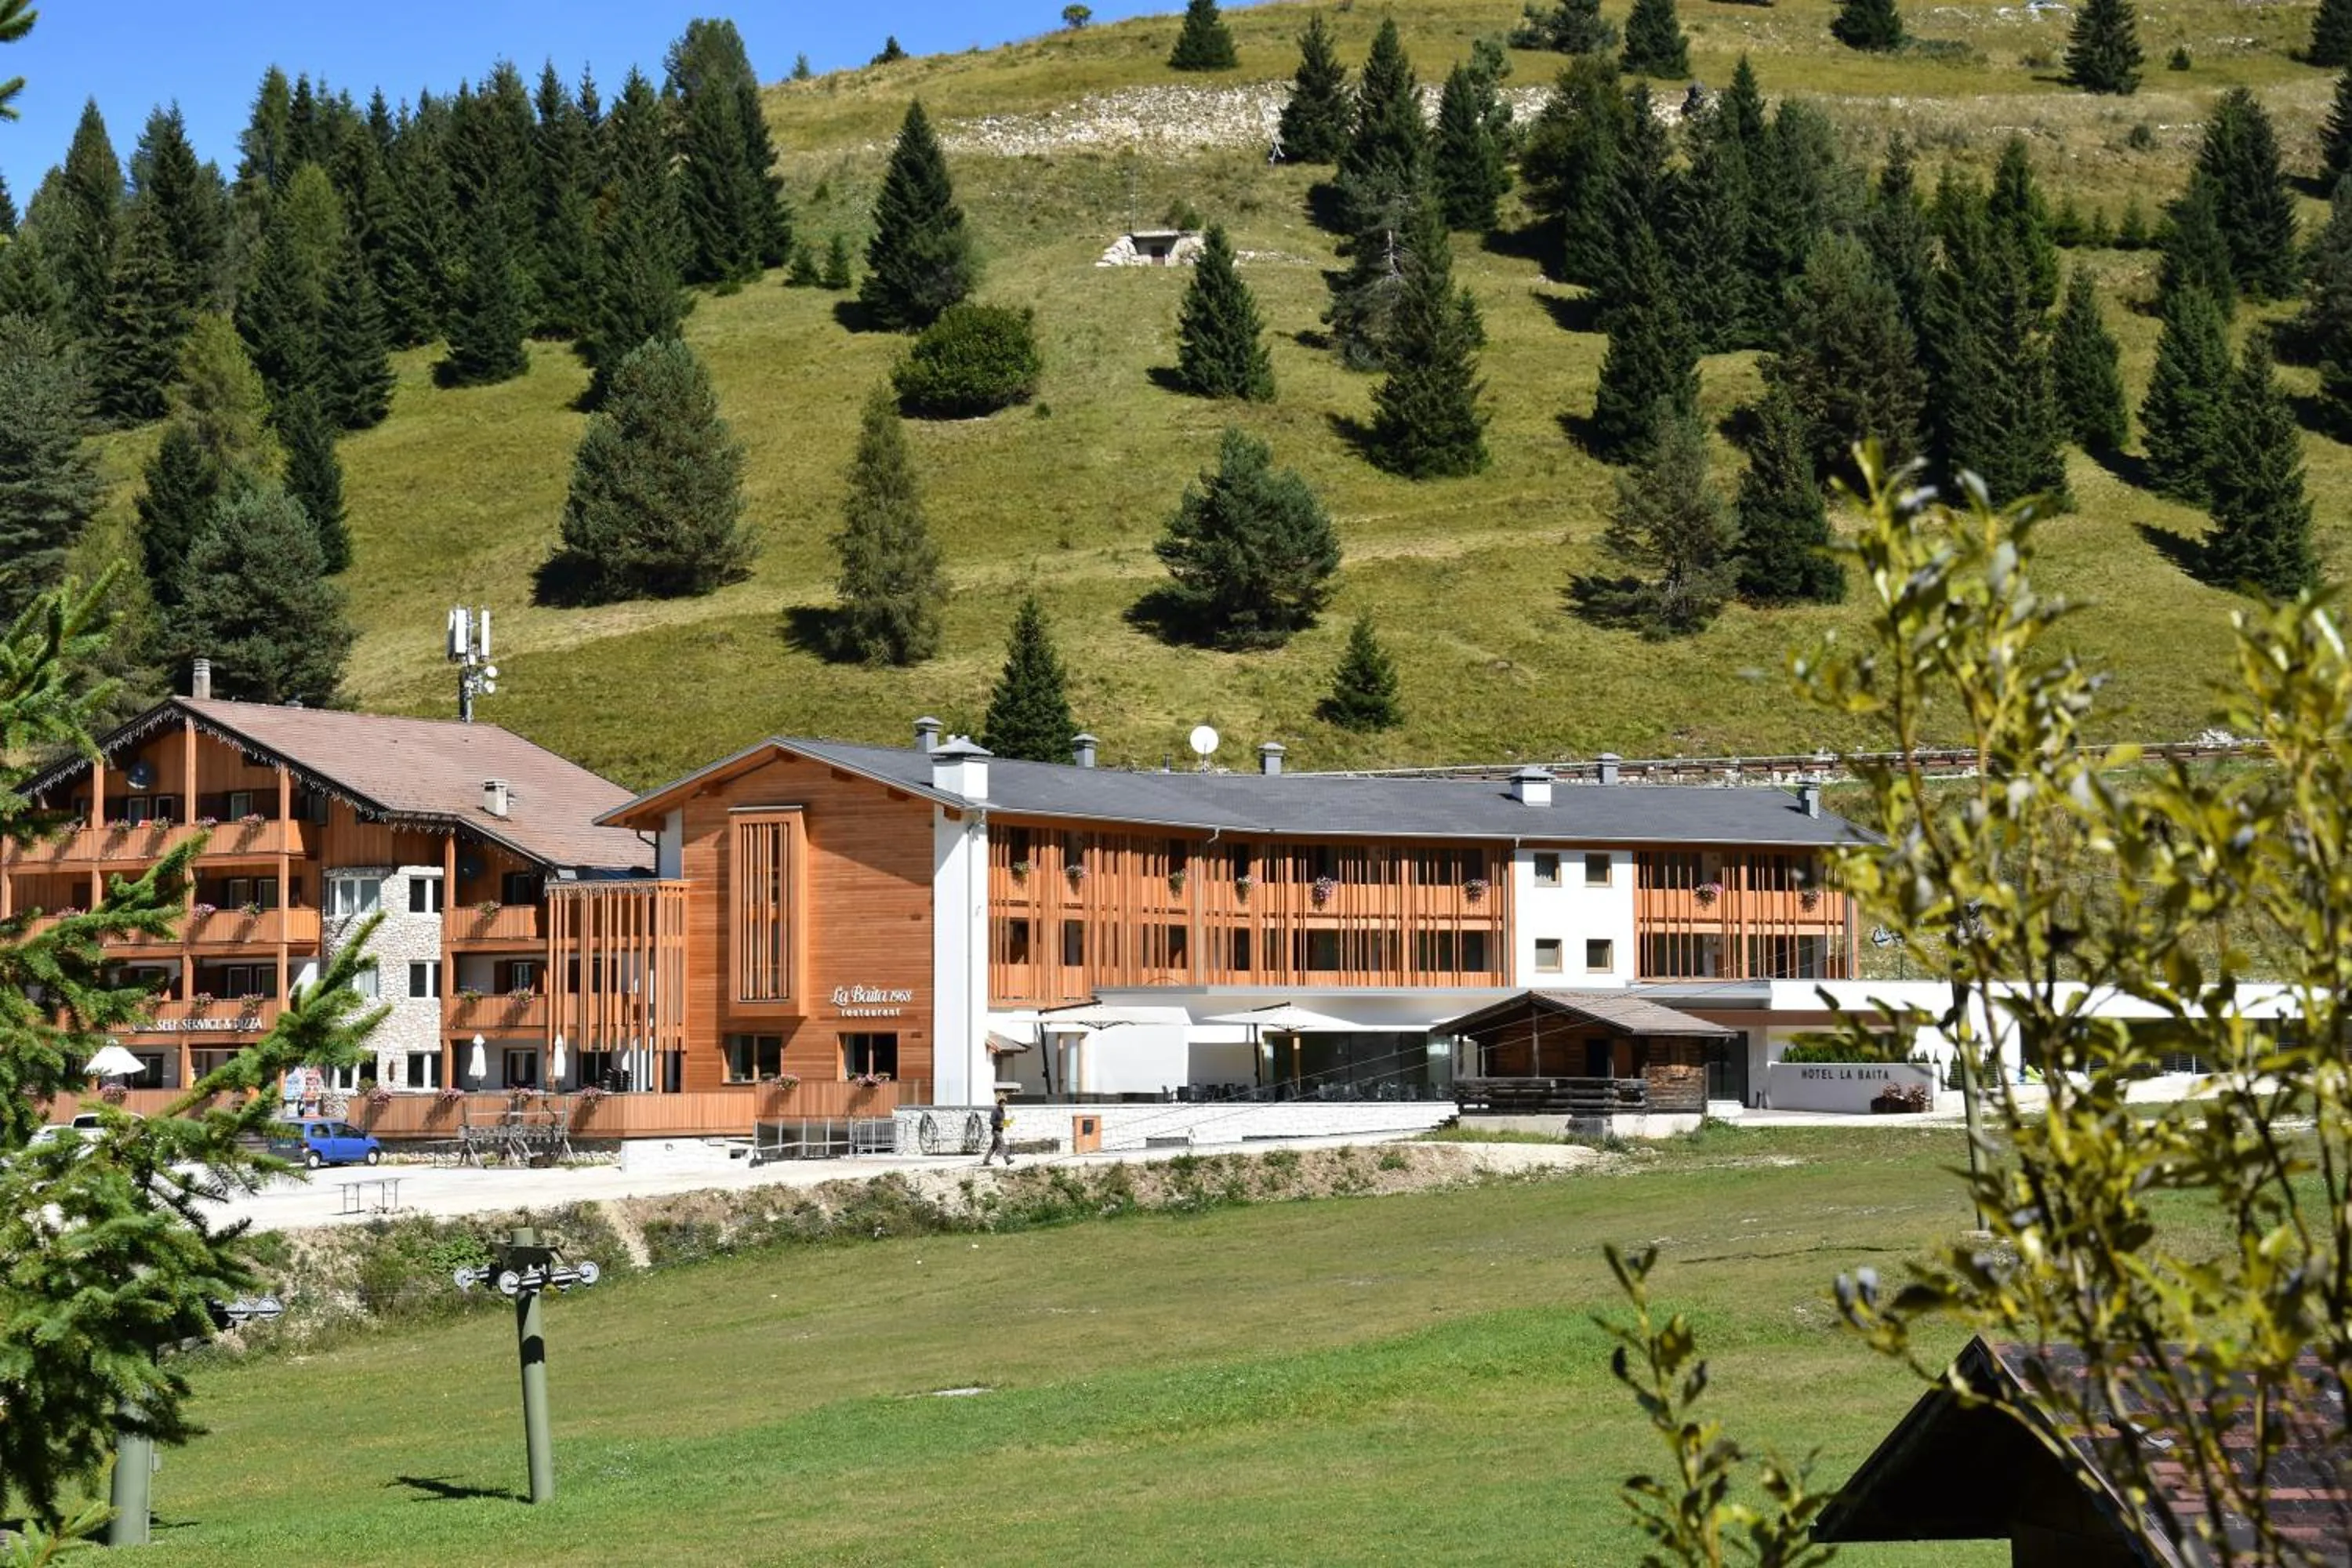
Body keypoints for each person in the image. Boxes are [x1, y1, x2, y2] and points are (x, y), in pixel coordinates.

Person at [982, 1092, 1014, 1167]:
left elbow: (1003, 1122)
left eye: (1004, 1104)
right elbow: (992, 1121)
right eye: (1002, 1104)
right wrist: (999, 1123)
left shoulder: (1003, 1112)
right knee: (1002, 1144)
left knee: (994, 1147)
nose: (1004, 1106)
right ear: (999, 1104)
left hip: (1000, 1131)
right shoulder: (995, 1111)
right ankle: (1007, 1160)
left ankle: (986, 1160)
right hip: (996, 1131)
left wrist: (1009, 1122)